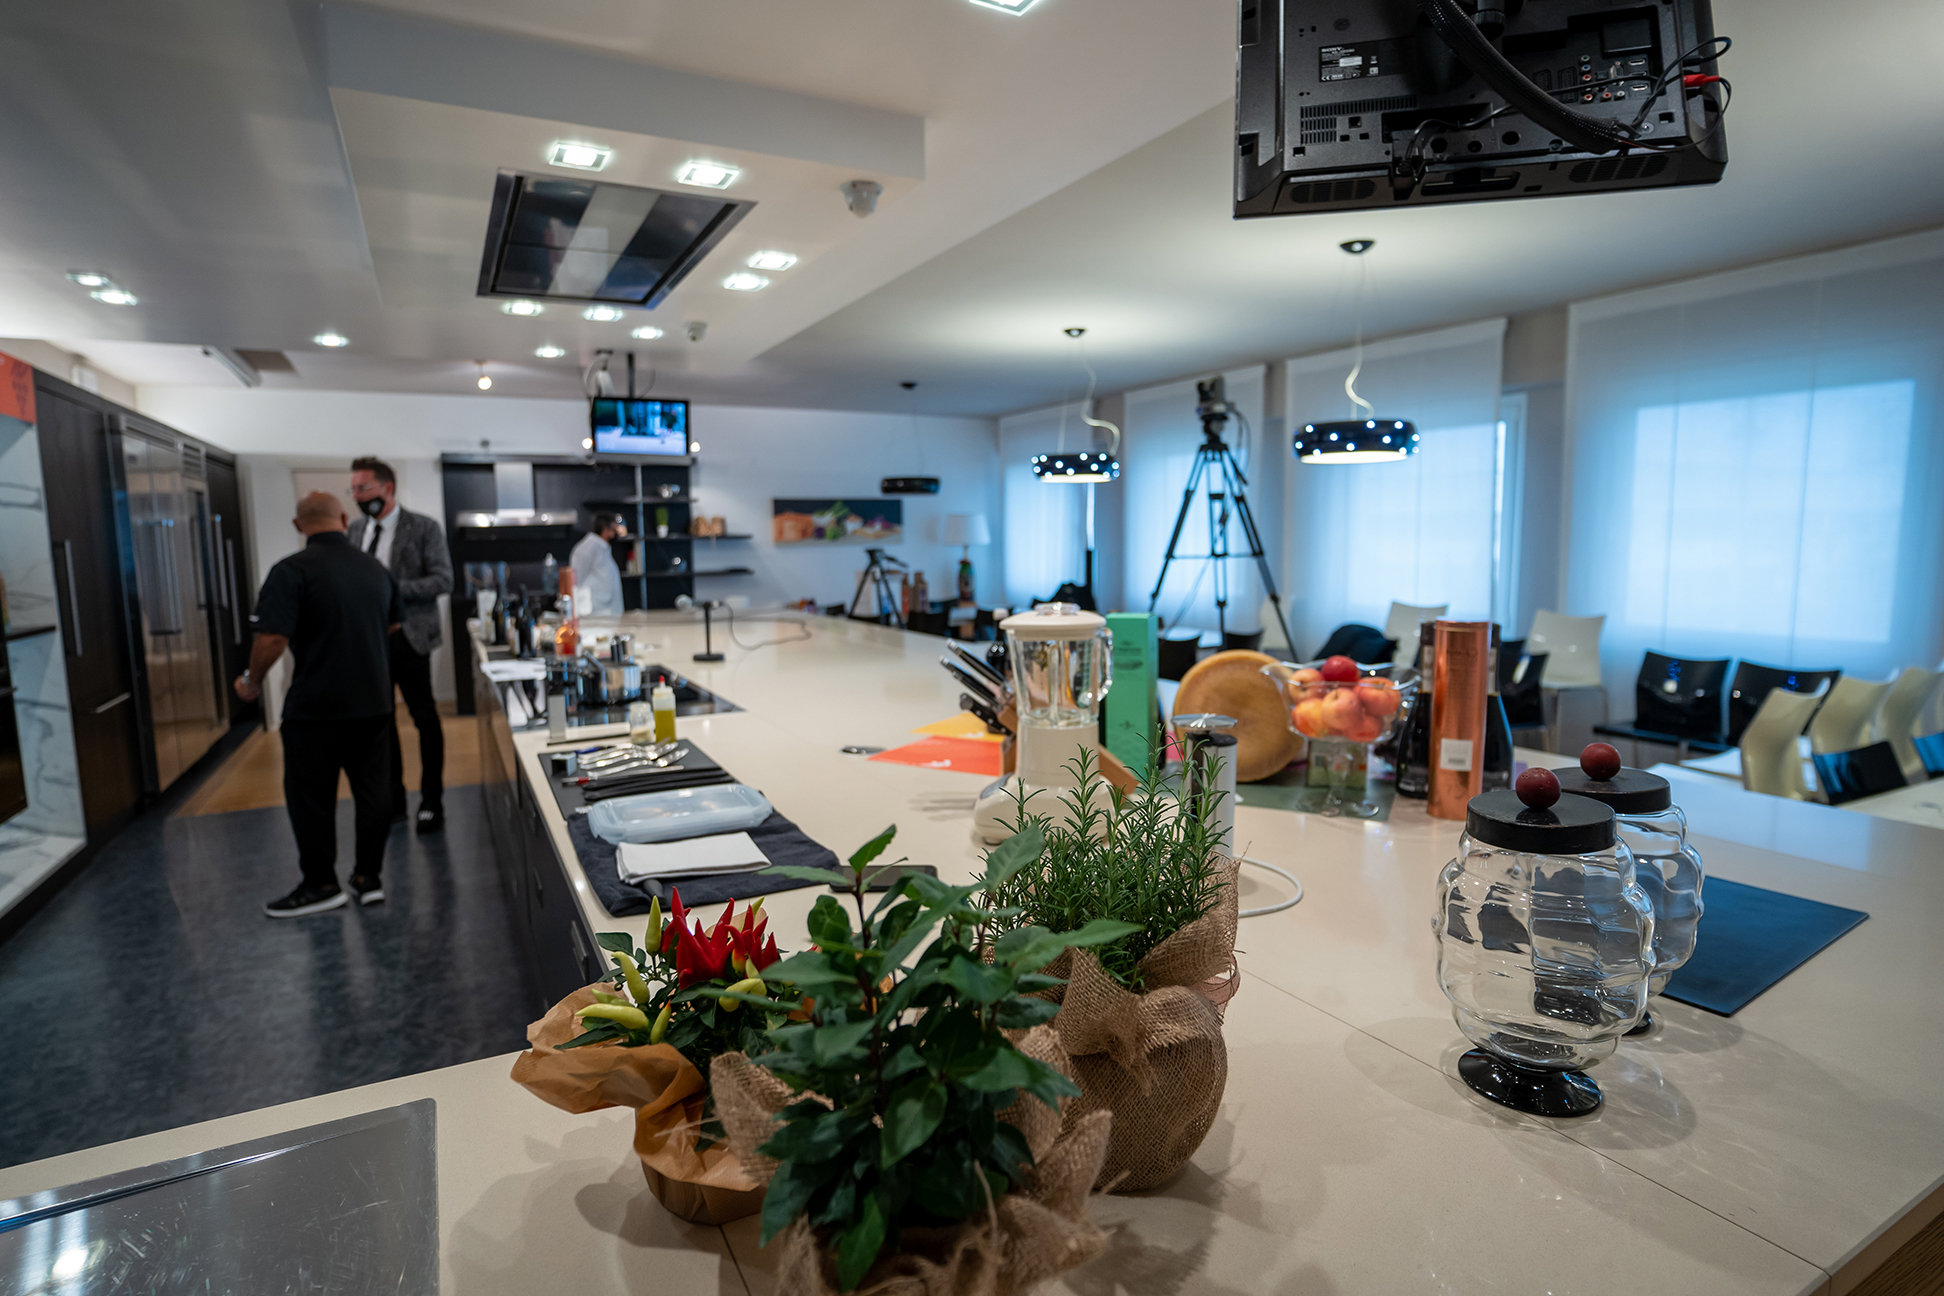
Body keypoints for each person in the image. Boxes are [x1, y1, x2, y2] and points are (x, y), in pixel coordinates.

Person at [236, 492, 402, 917]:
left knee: (311, 797)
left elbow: (273, 638)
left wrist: (251, 681)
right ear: (344, 519)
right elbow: (393, 625)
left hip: (315, 707)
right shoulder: (376, 569)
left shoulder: (291, 571)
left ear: (298, 526)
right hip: (374, 702)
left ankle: (321, 884)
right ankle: (368, 878)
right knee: (374, 793)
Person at [347, 457, 454, 834]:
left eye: (364, 488)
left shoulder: (423, 527)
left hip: (410, 637)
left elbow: (443, 580)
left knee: (424, 718)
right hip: (369, 641)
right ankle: (393, 801)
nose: (358, 496)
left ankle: (431, 801)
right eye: (354, 490)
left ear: (387, 488)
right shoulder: (355, 530)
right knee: (381, 722)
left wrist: (389, 589)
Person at [571, 511, 627, 617]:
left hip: (608, 612)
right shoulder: (587, 548)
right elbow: (577, 580)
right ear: (605, 529)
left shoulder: (602, 548)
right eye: (613, 527)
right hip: (595, 614)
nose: (615, 531)